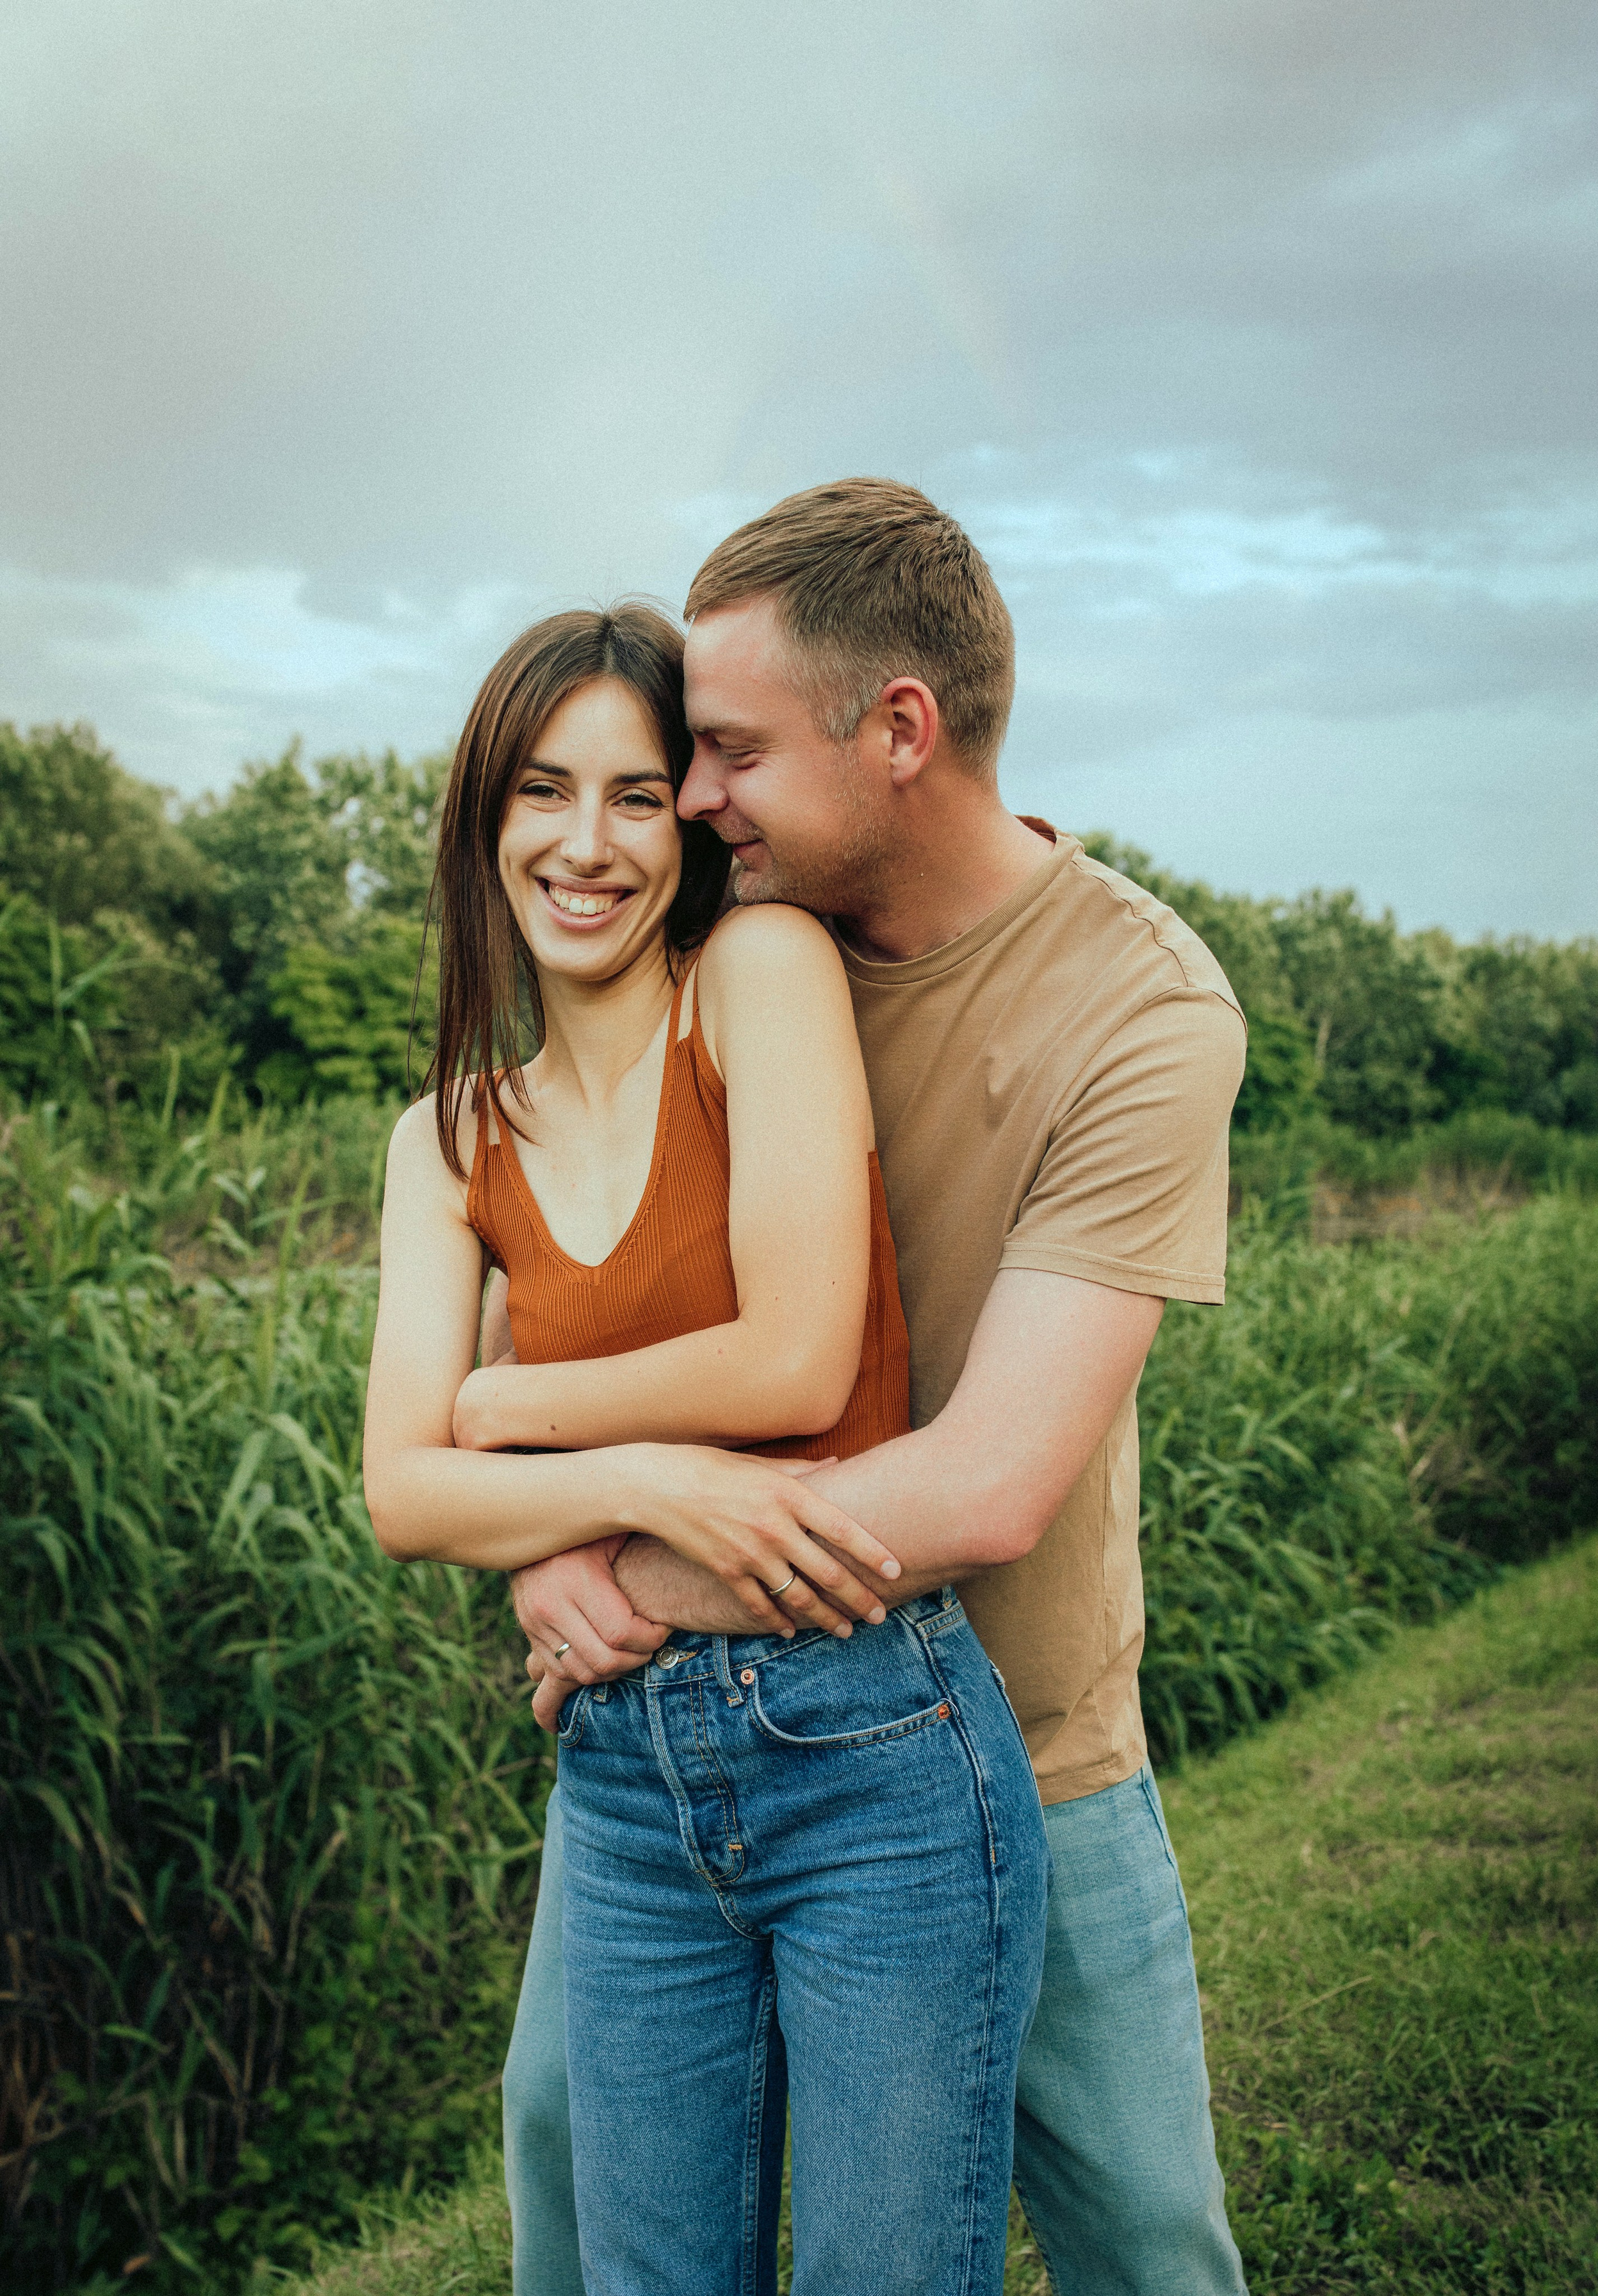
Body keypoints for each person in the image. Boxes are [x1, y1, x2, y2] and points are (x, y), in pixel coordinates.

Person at [503, 484, 1252, 2296]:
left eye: (733, 751)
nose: (690, 801)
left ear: (899, 730)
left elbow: (989, 1485)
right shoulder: (728, 955)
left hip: (1024, 1738)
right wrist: (532, 1545)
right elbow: (566, 1283)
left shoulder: (1140, 1009)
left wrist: (622, 1583)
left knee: (1151, 2242)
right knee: (560, 2159)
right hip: (693, 1756)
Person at [361, 602, 1050, 2296]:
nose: (585, 845)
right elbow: (400, 1492)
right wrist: (634, 1491)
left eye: (636, 793)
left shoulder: (755, 975)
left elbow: (796, 1354)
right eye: (542, 792)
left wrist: (508, 1414)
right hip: (620, 1779)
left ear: (692, 821)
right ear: (485, 821)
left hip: (869, 1736)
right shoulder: (448, 1137)